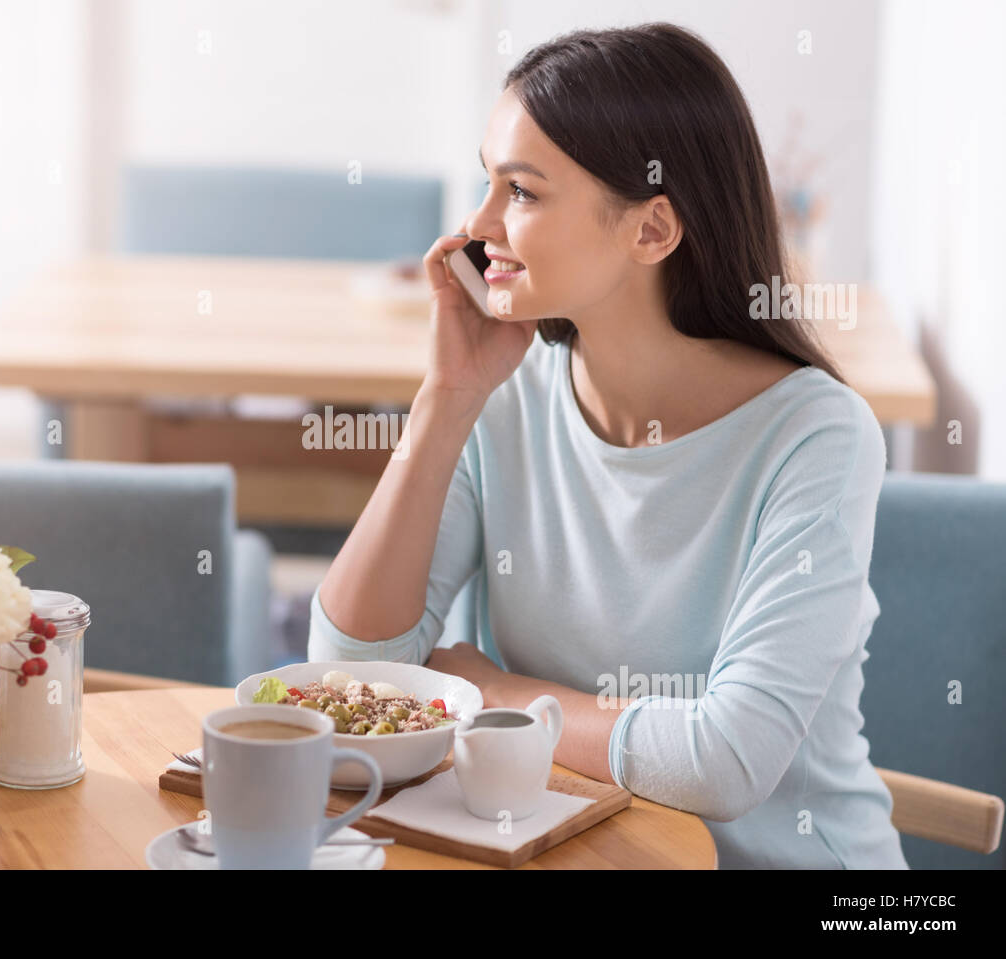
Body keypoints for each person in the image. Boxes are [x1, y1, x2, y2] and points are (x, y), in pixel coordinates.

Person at [307, 22, 907, 869]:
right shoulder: (501, 395)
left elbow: (726, 761)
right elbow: (349, 671)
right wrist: (445, 401)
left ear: (653, 230)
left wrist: (492, 692)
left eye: (522, 191)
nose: (478, 226)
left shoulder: (816, 437)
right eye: (489, 182)